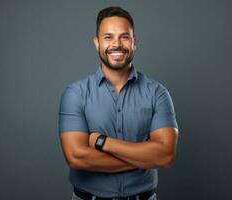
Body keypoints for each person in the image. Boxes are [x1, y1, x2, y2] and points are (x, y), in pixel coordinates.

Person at [58, 6, 179, 200]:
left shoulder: (158, 93)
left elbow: (165, 155)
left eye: (124, 37)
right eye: (108, 37)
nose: (117, 44)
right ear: (97, 43)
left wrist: (102, 142)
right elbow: (76, 157)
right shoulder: (75, 94)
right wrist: (144, 158)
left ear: (134, 42)